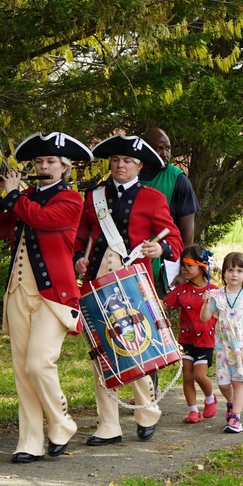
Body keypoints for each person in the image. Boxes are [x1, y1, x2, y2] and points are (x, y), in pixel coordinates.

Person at [0, 132, 90, 464]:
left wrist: (13, 196)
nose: (44, 166)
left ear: (65, 168)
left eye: (51, 162)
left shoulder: (71, 200)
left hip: (53, 295)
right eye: (39, 161)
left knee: (38, 363)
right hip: (18, 291)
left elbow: (42, 220)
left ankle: (61, 422)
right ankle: (29, 440)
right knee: (21, 370)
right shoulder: (22, 196)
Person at [73, 134, 183, 446]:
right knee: (102, 354)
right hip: (96, 284)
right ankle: (108, 425)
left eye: (127, 161)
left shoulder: (152, 198)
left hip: (133, 286)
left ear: (138, 165)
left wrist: (158, 248)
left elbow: (174, 240)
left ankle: (147, 411)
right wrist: (78, 258)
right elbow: (80, 237)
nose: (120, 165)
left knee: (136, 348)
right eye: (116, 160)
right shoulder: (94, 197)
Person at [200, 252, 243, 433]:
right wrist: (206, 303)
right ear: (224, 273)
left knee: (238, 382)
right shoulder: (218, 296)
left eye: (239, 270)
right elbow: (204, 318)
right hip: (224, 347)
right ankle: (231, 404)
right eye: (230, 270)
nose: (234, 274)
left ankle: (236, 418)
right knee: (223, 383)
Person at [162, 246, 218, 424]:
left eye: (189, 265)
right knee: (187, 376)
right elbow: (163, 305)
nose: (184, 269)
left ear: (202, 266)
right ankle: (193, 410)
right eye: (182, 265)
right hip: (187, 340)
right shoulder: (180, 291)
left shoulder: (214, 291)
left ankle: (210, 398)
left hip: (206, 340)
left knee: (199, 375)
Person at [142, 127, 200, 292]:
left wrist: (185, 270)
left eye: (167, 148)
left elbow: (187, 233)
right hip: (128, 265)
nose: (164, 153)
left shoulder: (178, 180)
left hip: (162, 268)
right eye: (158, 148)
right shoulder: (130, 176)